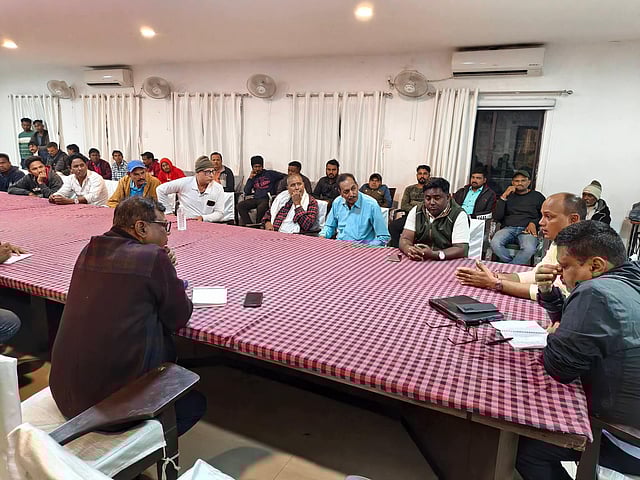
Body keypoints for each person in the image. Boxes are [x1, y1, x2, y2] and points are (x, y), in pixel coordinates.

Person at [49, 197, 205, 436]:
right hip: (112, 411)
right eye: (163, 226)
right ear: (141, 228)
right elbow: (178, 317)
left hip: (64, 394)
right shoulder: (152, 257)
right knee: (195, 404)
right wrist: (167, 268)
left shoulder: (90, 249)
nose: (167, 234)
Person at [516, 221, 640, 479]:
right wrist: (548, 293)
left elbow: (560, 368)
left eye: (565, 266)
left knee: (525, 448)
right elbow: (583, 327)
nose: (561, 275)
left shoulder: (596, 292)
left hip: (626, 438)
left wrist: (554, 336)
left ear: (596, 266)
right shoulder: (629, 280)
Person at [455, 193, 586, 300]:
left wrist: (495, 283)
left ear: (573, 219)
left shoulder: (583, 249)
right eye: (542, 216)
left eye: (549, 217)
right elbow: (536, 276)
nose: (541, 222)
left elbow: (555, 293)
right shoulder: (560, 242)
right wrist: (494, 276)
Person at [399, 177, 470, 261]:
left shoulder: (458, 214)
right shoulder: (417, 211)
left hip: (447, 261)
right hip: (420, 259)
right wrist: (409, 250)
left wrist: (435, 254)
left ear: (448, 197)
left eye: (437, 198)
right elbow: (405, 239)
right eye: (428, 198)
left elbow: (461, 249)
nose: (432, 202)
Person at [490, 170, 545, 265]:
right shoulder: (508, 196)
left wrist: (534, 223)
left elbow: (545, 216)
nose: (520, 183)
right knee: (495, 243)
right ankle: (512, 266)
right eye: (517, 181)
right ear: (512, 183)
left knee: (529, 249)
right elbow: (497, 217)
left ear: (529, 182)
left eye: (523, 180)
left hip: (527, 230)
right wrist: (504, 196)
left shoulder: (537, 196)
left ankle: (509, 268)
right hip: (508, 228)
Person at [320, 173, 390, 245]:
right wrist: (323, 236)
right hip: (340, 244)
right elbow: (329, 226)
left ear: (357, 186)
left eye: (353, 189)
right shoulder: (337, 202)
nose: (351, 194)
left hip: (362, 247)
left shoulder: (371, 205)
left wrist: (369, 247)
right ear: (340, 192)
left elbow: (383, 237)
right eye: (346, 192)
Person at [156, 155, 225, 222]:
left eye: (213, 171)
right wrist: (168, 212)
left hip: (207, 223)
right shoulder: (185, 182)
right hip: (187, 223)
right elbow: (160, 190)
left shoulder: (218, 188)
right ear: (197, 172)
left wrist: (203, 218)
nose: (211, 175)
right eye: (207, 172)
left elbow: (219, 213)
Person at [388, 165, 431, 248]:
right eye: (420, 174)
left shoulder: (430, 189)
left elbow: (428, 205)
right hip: (409, 217)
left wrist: (413, 202)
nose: (422, 176)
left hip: (425, 218)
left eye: (425, 174)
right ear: (417, 175)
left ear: (429, 175)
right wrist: (420, 205)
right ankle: (397, 248)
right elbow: (404, 206)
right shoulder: (409, 189)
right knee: (393, 226)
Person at [237, 155, 285, 226]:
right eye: (255, 167)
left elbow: (284, 176)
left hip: (266, 198)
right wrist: (250, 178)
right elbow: (246, 191)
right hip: (255, 198)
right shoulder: (253, 177)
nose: (257, 169)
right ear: (252, 167)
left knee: (261, 207)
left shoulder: (270, 174)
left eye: (259, 166)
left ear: (262, 166)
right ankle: (249, 225)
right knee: (240, 205)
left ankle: (259, 225)